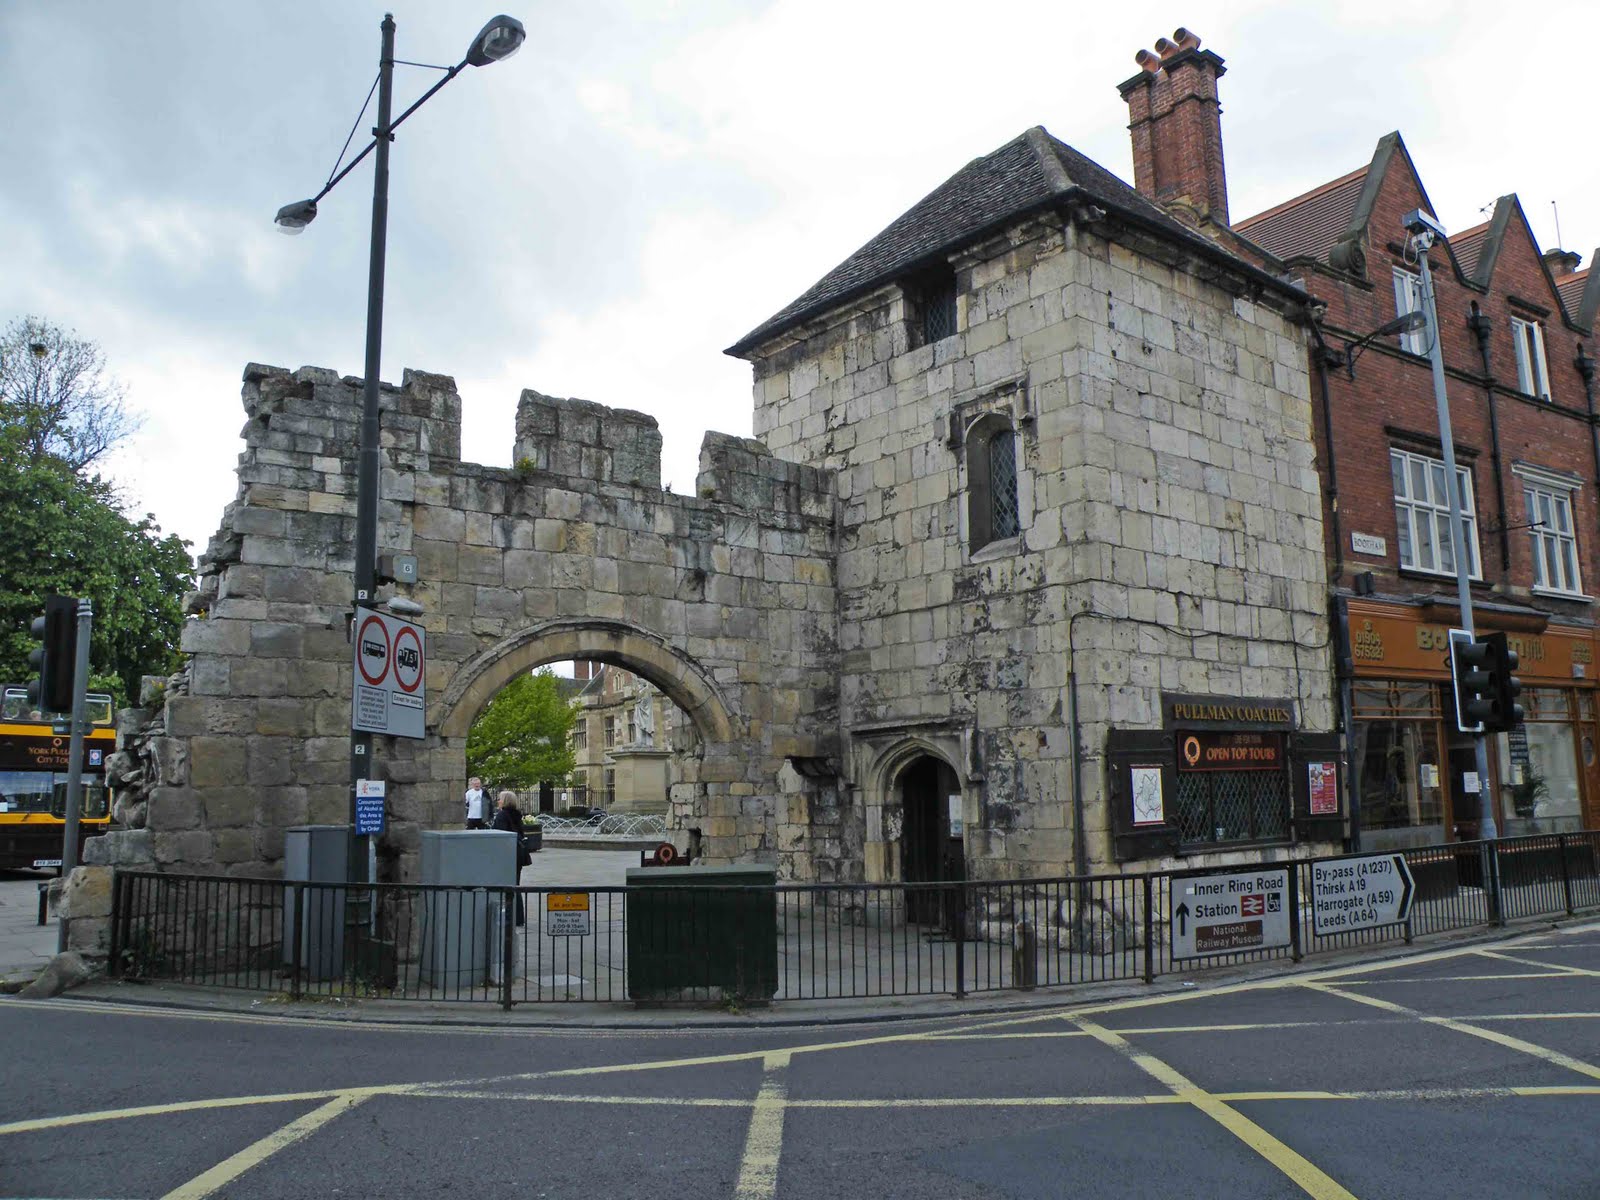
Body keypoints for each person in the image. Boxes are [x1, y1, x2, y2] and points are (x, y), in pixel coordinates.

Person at [492, 790, 530, 925]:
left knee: (509, 886)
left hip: (508, 855)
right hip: (518, 854)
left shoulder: (502, 815)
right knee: (515, 885)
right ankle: (518, 917)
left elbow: (500, 836)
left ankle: (510, 917)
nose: (498, 801)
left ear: (505, 801)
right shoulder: (516, 815)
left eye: (500, 799)